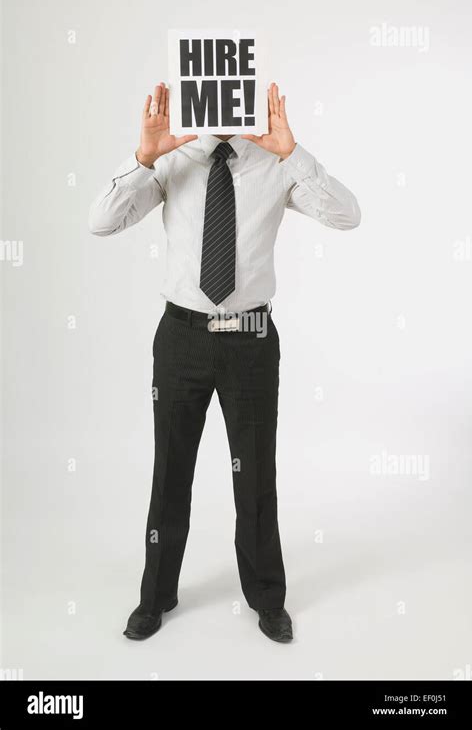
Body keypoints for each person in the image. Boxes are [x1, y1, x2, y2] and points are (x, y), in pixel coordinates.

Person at [88, 81, 361, 643]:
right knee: (171, 473)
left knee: (256, 474)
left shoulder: (275, 160)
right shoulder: (171, 157)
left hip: (251, 339)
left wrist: (292, 152)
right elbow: (102, 221)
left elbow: (346, 216)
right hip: (181, 338)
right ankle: (155, 596)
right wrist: (143, 157)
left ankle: (266, 597)